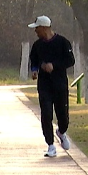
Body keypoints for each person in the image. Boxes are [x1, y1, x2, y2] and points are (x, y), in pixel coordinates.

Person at [28, 15, 75, 157]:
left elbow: (70, 61)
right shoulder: (37, 45)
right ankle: (50, 145)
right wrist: (35, 70)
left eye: (37, 28)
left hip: (60, 84)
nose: (35, 31)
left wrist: (54, 66)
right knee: (46, 114)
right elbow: (34, 60)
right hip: (44, 85)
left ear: (44, 28)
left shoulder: (62, 42)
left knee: (63, 115)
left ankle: (61, 132)